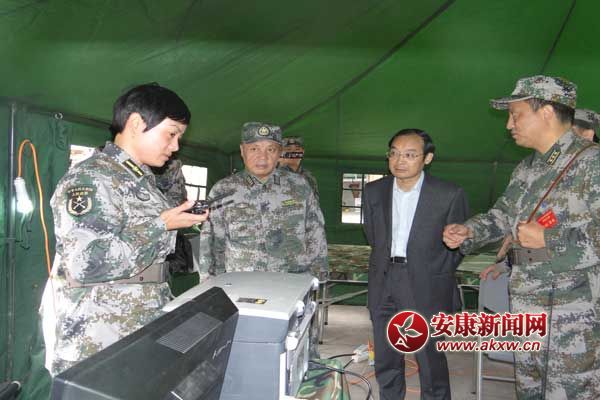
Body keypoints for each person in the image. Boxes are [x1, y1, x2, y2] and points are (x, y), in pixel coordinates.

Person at [443, 75, 600, 399]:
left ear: (547, 112)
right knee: (529, 390)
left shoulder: (591, 163)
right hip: (527, 300)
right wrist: (469, 231)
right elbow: (503, 215)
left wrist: (550, 239)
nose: (509, 125)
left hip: (574, 310)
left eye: (516, 115)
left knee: (569, 392)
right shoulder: (528, 168)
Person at [40, 83, 209, 376]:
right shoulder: (92, 178)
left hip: (137, 326)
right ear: (136, 123)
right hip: (100, 337)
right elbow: (86, 263)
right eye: (171, 134)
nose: (175, 146)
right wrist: (162, 225)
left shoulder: (141, 180)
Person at [363, 128, 468, 400]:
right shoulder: (374, 191)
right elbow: (373, 235)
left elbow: (458, 245)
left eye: (410, 155)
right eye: (394, 153)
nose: (400, 161)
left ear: (427, 158)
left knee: (429, 355)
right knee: (386, 353)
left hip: (426, 281)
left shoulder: (448, 193)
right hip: (384, 278)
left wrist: (433, 271)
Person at [198, 122, 328, 279]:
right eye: (254, 149)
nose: (262, 157)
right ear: (242, 151)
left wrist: (317, 278)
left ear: (279, 152)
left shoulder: (300, 186)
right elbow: (211, 244)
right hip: (242, 284)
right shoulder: (223, 191)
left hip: (291, 282)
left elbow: (316, 234)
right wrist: (210, 284)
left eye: (270, 149)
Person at [278, 136, 320, 200]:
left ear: (302, 152)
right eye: (288, 149)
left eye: (297, 149)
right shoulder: (274, 175)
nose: (294, 152)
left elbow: (314, 201)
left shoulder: (308, 176)